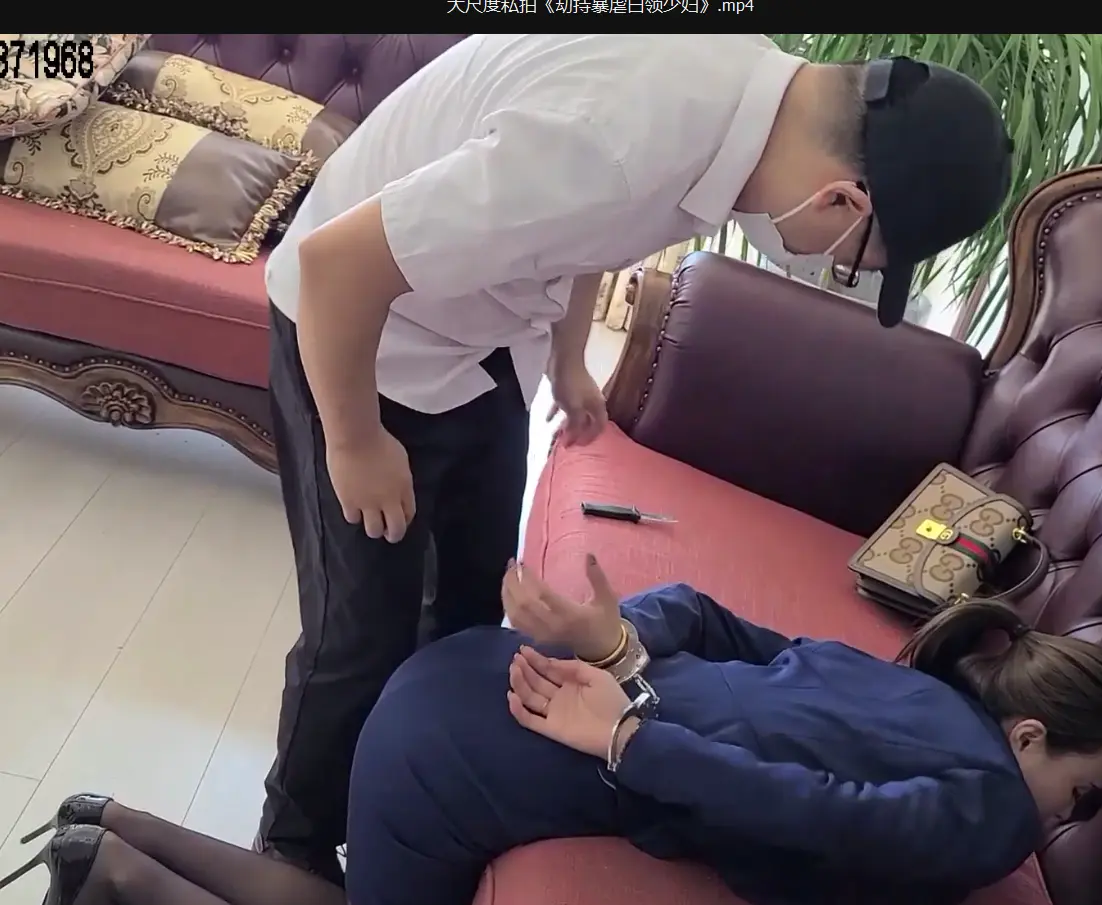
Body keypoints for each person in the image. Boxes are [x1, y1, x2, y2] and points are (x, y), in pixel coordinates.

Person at [258, 32, 1016, 880]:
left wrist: (569, 357)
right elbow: (336, 264)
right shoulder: (617, 139)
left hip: (480, 341)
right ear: (841, 200)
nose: (830, 268)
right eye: (850, 264)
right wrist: (356, 440)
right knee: (361, 630)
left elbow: (596, 228)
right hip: (359, 337)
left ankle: (387, 786)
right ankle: (291, 840)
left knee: (471, 594)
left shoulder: (736, 101)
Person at [7, 556, 1102, 905]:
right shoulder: (998, 812)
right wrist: (628, 736)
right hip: (469, 748)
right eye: (1084, 792)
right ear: (1029, 735)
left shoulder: (910, 686)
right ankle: (114, 869)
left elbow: (702, 612)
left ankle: (105, 830)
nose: (1067, 820)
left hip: (465, 676)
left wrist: (619, 637)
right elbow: (815, 811)